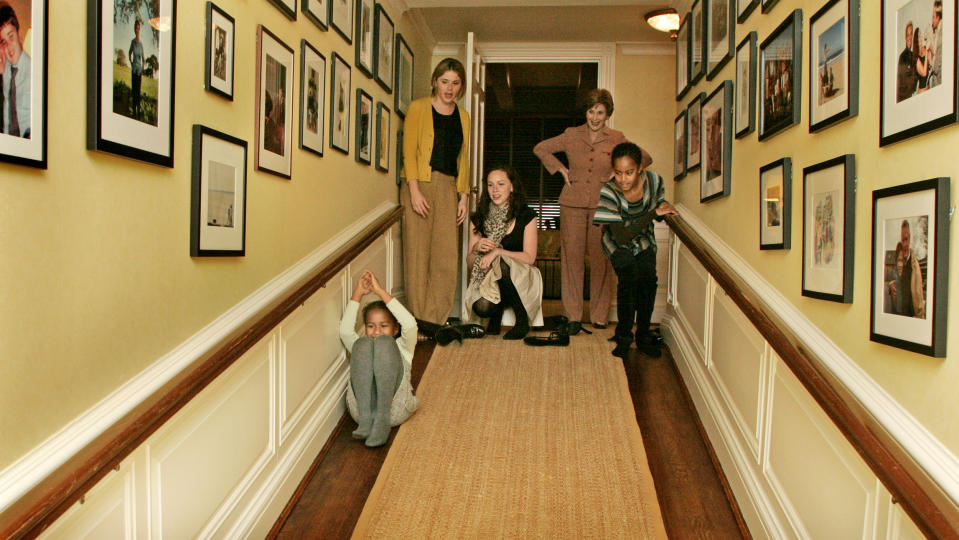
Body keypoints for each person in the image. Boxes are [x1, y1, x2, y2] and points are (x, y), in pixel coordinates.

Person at [533, 89, 651, 333]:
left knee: (602, 261)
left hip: (604, 206)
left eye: (600, 112)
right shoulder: (571, 135)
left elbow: (644, 158)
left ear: (607, 114)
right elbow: (541, 148)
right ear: (585, 112)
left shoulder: (617, 138)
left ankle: (599, 316)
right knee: (571, 260)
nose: (595, 117)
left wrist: (617, 173)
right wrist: (559, 169)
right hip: (571, 204)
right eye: (591, 111)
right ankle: (572, 315)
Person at [401, 58, 470, 334]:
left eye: (455, 83)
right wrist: (414, 190)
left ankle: (436, 320)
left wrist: (463, 196)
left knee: (446, 255)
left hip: (449, 187)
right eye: (444, 81)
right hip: (420, 184)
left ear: (461, 86)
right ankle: (418, 321)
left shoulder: (463, 116)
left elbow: (463, 157)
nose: (449, 88)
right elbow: (409, 150)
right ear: (435, 81)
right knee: (418, 254)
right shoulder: (418, 108)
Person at [594, 143, 678, 359]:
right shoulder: (608, 191)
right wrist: (653, 213)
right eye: (618, 173)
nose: (623, 179)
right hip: (617, 242)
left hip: (644, 240)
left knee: (648, 283)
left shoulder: (654, 181)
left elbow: (659, 204)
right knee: (629, 280)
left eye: (629, 172)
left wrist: (663, 208)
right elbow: (621, 236)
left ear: (640, 168)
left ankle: (643, 337)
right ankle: (623, 338)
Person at [339, 270, 418, 448]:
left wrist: (380, 291)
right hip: (360, 414)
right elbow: (345, 332)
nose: (376, 331)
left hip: (394, 411)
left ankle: (382, 422)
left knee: (384, 343)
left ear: (395, 329)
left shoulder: (403, 348)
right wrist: (358, 294)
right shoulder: (363, 348)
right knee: (362, 344)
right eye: (371, 326)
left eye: (383, 326)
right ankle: (367, 422)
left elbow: (411, 325)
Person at [464, 166, 544, 340]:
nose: (495, 190)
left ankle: (521, 320)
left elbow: (530, 258)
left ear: (512, 187)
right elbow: (470, 263)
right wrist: (477, 248)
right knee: (481, 308)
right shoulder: (478, 218)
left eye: (501, 184)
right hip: (492, 281)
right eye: (491, 185)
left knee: (501, 261)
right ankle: (496, 312)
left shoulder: (526, 215)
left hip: (521, 279)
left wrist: (498, 252)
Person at [887, 220, 926, 318]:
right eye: (903, 239)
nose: (905, 244)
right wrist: (890, 287)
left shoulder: (914, 265)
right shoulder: (896, 269)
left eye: (906, 239)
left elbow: (918, 295)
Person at [0, 4, 28, 137]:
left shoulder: (31, 72)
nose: (9, 46)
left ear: (19, 34)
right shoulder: (6, 73)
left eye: (11, 37)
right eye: (4, 42)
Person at [897, 21, 917, 102]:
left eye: (911, 34)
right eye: (907, 35)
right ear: (905, 37)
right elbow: (901, 81)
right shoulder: (902, 56)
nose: (909, 37)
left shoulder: (913, 55)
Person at [129, 19, 144, 121]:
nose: (137, 30)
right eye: (136, 28)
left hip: (139, 71)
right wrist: (131, 63)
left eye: (138, 28)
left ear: (140, 29)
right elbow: (129, 53)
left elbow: (144, 59)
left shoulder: (141, 44)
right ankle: (134, 111)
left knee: (138, 91)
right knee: (134, 90)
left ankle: (138, 112)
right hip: (134, 70)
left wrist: (142, 68)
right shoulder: (132, 42)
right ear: (134, 29)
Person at [929, 0, 943, 87]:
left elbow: (936, 67)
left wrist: (930, 48)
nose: (932, 21)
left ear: (938, 17)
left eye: (933, 17)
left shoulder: (941, 33)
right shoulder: (937, 33)